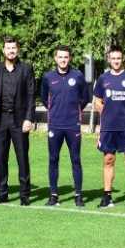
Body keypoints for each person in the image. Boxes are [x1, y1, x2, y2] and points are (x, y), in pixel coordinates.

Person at [0, 36, 36, 206]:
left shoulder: (26, 69)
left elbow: (31, 96)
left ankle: (24, 194)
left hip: (19, 120)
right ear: (3, 50)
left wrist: (29, 118)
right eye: (8, 48)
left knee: (22, 157)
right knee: (0, 157)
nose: (11, 51)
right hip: (0, 120)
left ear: (18, 50)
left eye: (14, 48)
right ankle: (2, 193)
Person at [93, 46, 125, 209]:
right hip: (108, 127)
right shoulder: (103, 79)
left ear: (122, 59)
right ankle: (107, 196)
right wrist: (104, 111)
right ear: (109, 59)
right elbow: (97, 101)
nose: (116, 61)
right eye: (113, 58)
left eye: (118, 58)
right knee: (108, 159)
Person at [40, 45, 90, 207]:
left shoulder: (78, 75)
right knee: (53, 159)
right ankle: (54, 195)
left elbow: (85, 98)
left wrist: (74, 112)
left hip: (72, 125)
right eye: (60, 57)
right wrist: (55, 111)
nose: (63, 60)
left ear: (70, 58)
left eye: (66, 57)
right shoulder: (48, 77)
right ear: (55, 58)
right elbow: (43, 99)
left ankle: (78, 195)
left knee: (75, 159)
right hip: (55, 125)